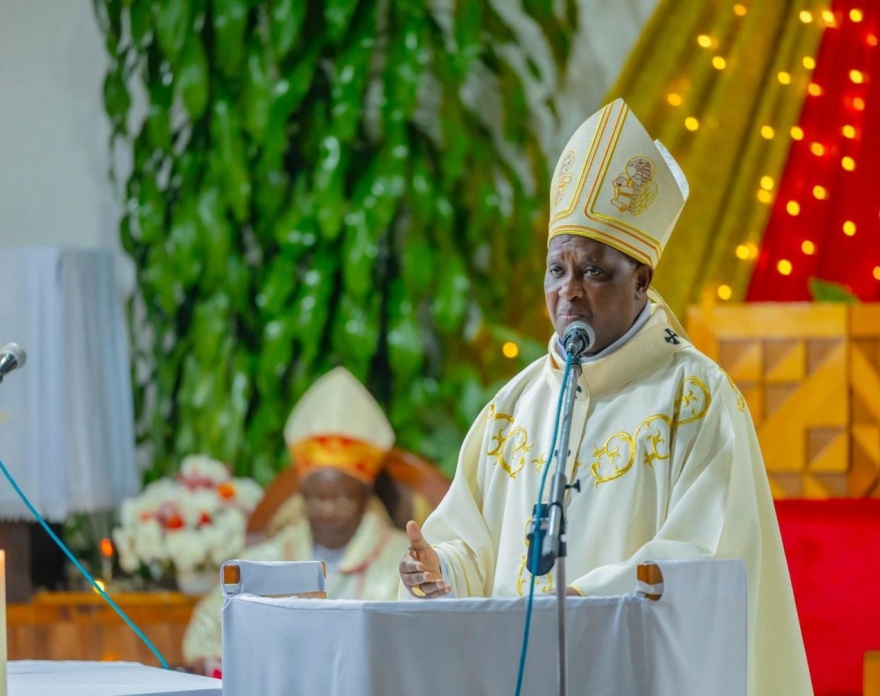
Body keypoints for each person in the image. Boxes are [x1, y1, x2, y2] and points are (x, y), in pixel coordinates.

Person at [398, 99, 813, 696]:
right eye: (555, 270)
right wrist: (441, 568)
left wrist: (583, 602)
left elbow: (700, 560)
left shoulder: (696, 400)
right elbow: (473, 546)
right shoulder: (513, 408)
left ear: (641, 280)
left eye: (593, 272)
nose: (568, 292)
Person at [183, 367, 408, 667]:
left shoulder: (404, 564)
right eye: (316, 501)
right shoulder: (268, 560)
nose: (327, 512)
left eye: (341, 501)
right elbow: (203, 634)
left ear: (366, 498)